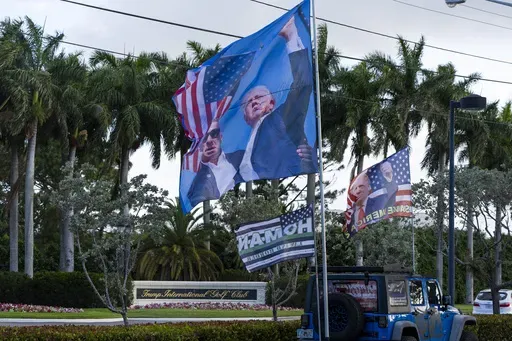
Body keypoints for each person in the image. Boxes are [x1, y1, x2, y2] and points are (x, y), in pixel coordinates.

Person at [239, 16, 317, 182]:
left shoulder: (282, 117)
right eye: (248, 102)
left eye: (259, 97)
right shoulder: (237, 147)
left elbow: (302, 85)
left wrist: (291, 36)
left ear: (271, 104)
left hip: (289, 183)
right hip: (251, 200)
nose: (254, 102)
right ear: (244, 117)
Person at [187, 120, 244, 208]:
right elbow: (195, 201)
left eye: (214, 134)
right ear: (199, 145)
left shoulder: (239, 157)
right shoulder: (197, 182)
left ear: (220, 137)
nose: (209, 141)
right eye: (204, 137)